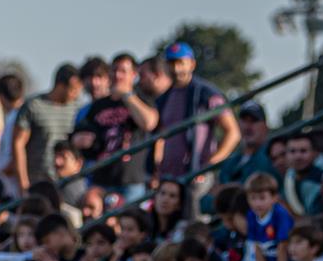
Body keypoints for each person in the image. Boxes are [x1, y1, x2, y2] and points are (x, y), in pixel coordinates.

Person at [152, 43, 239, 218]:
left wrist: (210, 164)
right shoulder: (163, 97)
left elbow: (233, 132)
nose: (176, 69)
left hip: (196, 175)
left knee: (194, 222)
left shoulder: (206, 93)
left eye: (181, 63)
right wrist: (156, 168)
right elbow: (159, 136)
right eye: (171, 63)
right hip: (169, 177)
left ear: (192, 64)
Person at [72, 53, 158, 202]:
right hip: (101, 180)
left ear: (134, 74)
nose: (118, 75)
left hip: (131, 181)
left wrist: (127, 95)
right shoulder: (98, 105)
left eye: (123, 71)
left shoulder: (142, 99)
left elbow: (149, 123)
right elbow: (79, 136)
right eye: (114, 70)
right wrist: (78, 139)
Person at [12, 64, 82, 194]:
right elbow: (18, 144)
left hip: (66, 184)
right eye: (74, 89)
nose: (76, 94)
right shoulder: (34, 106)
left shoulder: (77, 109)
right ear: (61, 85)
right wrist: (23, 183)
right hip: (37, 181)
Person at [217, 100, 277, 186]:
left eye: (254, 120)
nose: (248, 126)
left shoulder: (273, 157)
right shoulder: (231, 161)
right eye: (244, 120)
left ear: (265, 126)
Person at [0, 73, 25, 197]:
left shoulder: (19, 118)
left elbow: (16, 157)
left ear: (0, 96)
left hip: (13, 188)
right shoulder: (12, 116)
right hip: (9, 185)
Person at [281, 132, 323, 217]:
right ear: (286, 155)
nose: (298, 156)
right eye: (292, 151)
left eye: (303, 151)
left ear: (315, 153)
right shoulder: (290, 176)